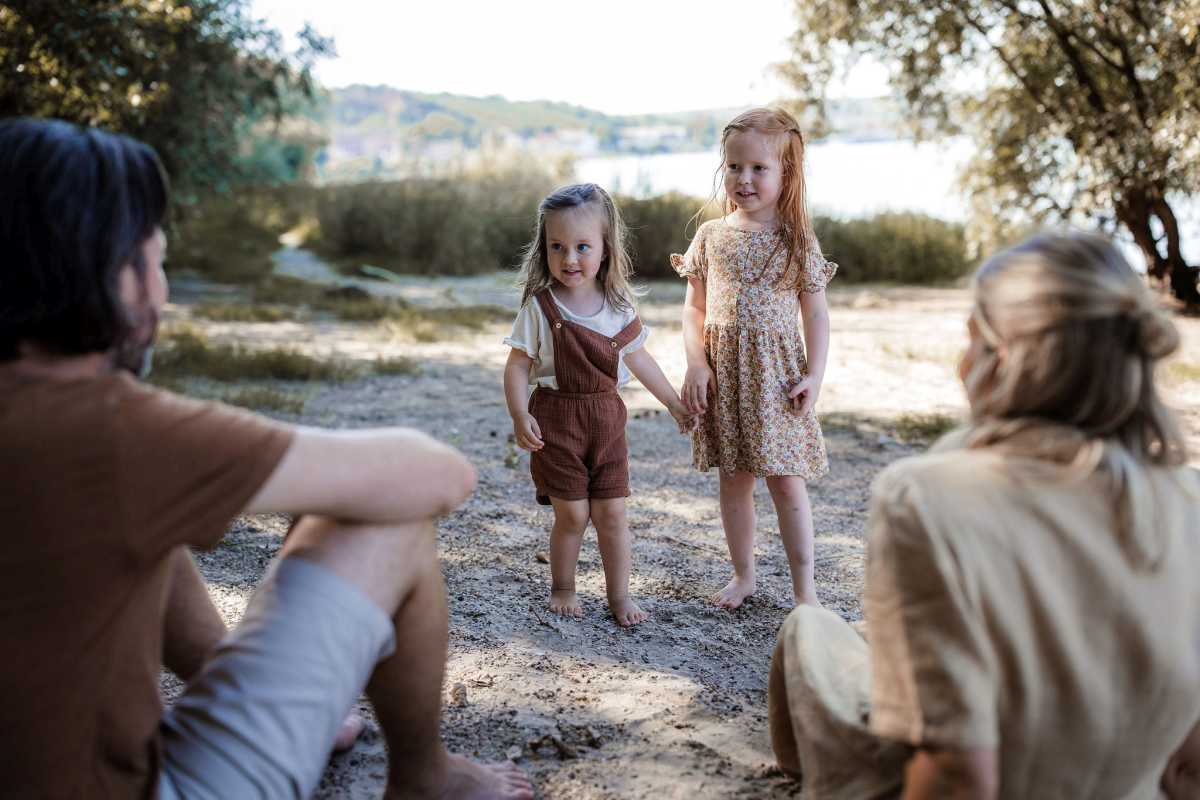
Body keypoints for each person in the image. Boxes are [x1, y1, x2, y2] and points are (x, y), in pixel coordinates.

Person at [0, 117, 534, 800]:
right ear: (112, 275)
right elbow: (441, 474)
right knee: (385, 521)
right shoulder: (102, 427)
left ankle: (237, 687)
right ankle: (427, 778)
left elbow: (141, 522)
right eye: (157, 263)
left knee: (156, 513)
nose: (163, 294)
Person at [768, 232, 1200, 799]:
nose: (961, 361)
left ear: (1004, 361)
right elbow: (1189, 765)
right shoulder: (1188, 499)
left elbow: (958, 778)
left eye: (972, 340)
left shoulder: (924, 498)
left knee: (810, 634)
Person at [503, 183, 694, 627]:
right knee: (572, 512)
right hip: (556, 417)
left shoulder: (619, 306)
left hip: (606, 419)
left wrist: (673, 403)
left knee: (611, 512)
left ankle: (619, 595)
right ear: (544, 249)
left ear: (606, 249)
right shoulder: (541, 307)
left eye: (582, 246)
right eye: (558, 247)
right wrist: (519, 413)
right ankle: (563, 587)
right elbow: (516, 366)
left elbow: (639, 358)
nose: (570, 259)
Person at [672, 107, 837, 609]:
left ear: (785, 175)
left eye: (759, 168)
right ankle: (744, 575)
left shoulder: (795, 240)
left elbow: (817, 315)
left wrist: (815, 374)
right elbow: (694, 310)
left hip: (777, 379)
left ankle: (804, 591)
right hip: (726, 375)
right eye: (734, 167)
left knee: (786, 483)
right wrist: (697, 363)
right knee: (733, 479)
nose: (744, 179)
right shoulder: (711, 237)